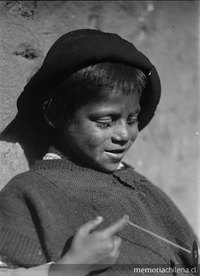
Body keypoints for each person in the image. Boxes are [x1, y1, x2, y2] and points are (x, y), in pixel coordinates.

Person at [0, 29, 198, 276]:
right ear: (56, 115)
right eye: (105, 121)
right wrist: (68, 268)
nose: (124, 134)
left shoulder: (138, 185)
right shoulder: (30, 193)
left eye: (132, 118)